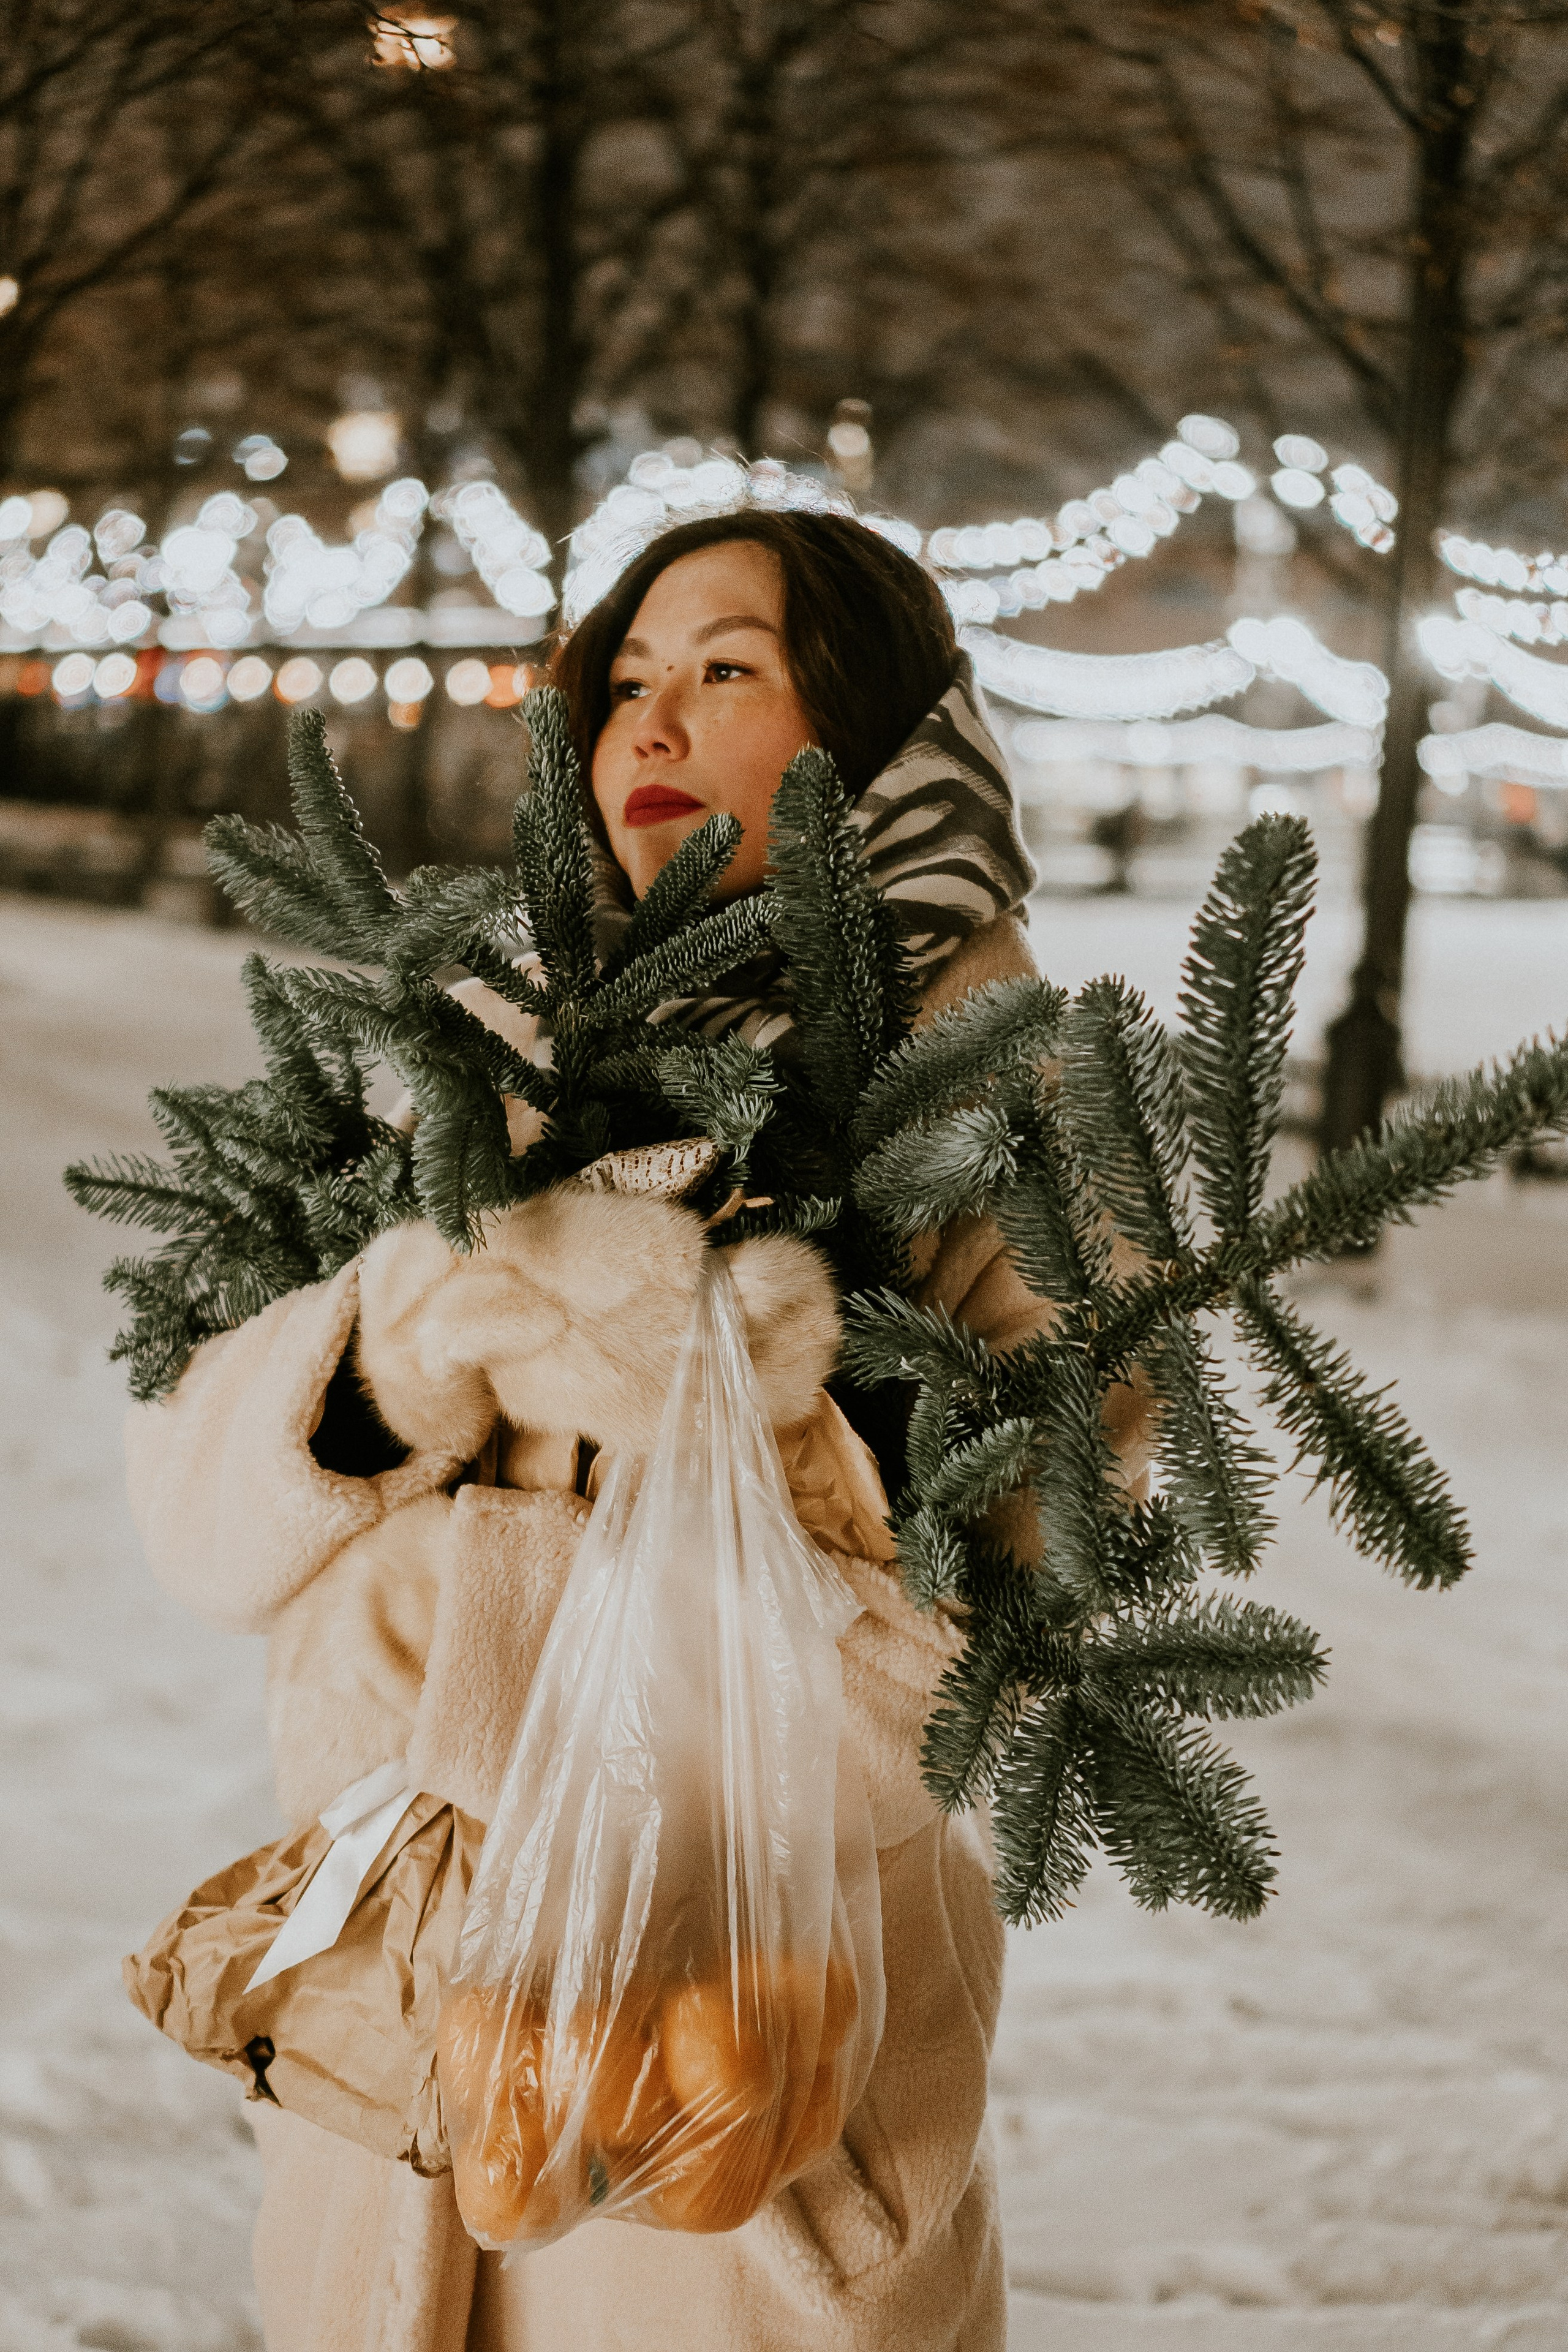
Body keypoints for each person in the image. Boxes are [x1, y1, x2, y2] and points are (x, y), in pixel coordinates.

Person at [124, 505, 1152, 2352]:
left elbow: (1010, 1633)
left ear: (880, 735)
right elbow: (202, 1528)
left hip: (746, 2100)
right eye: (628, 681)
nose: (652, 725)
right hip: (415, 2069)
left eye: (727, 669)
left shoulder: (1014, 1098)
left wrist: (724, 1422)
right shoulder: (485, 1057)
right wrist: (411, 1351)